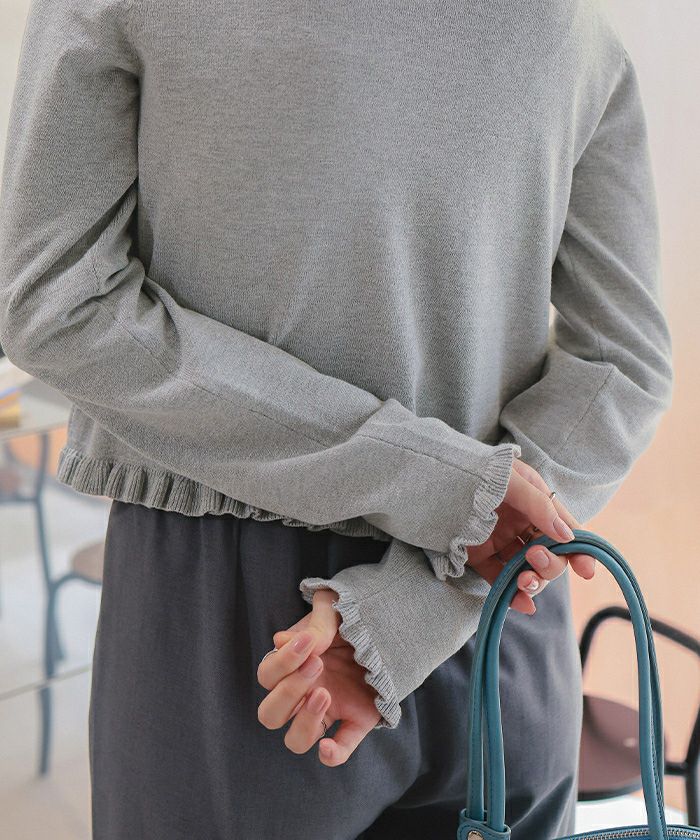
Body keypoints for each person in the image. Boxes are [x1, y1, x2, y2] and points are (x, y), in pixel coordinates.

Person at [0, 0, 673, 838]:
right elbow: (625, 366)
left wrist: (428, 547)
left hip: (250, 634)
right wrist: (432, 575)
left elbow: (55, 305)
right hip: (496, 617)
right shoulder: (574, 28)